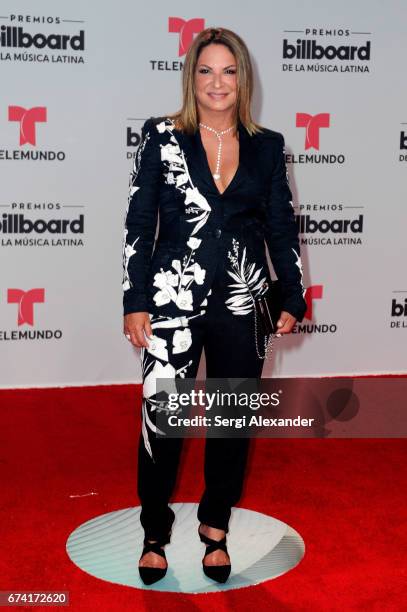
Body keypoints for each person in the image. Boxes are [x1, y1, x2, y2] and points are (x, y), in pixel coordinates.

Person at [122, 27, 306, 585]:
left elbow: (280, 225)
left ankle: (215, 526)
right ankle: (154, 529)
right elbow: (138, 223)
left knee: (231, 421)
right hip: (170, 299)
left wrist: (291, 292)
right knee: (165, 419)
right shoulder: (160, 137)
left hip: (242, 302)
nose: (217, 82)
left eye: (228, 71)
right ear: (191, 78)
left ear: (242, 79)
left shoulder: (268, 145)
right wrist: (134, 299)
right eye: (206, 71)